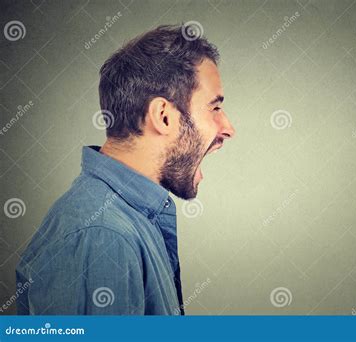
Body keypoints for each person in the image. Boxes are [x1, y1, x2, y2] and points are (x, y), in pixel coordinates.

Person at [15, 24, 235, 315]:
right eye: (215, 108)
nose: (227, 129)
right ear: (164, 117)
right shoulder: (101, 236)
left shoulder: (127, 219)